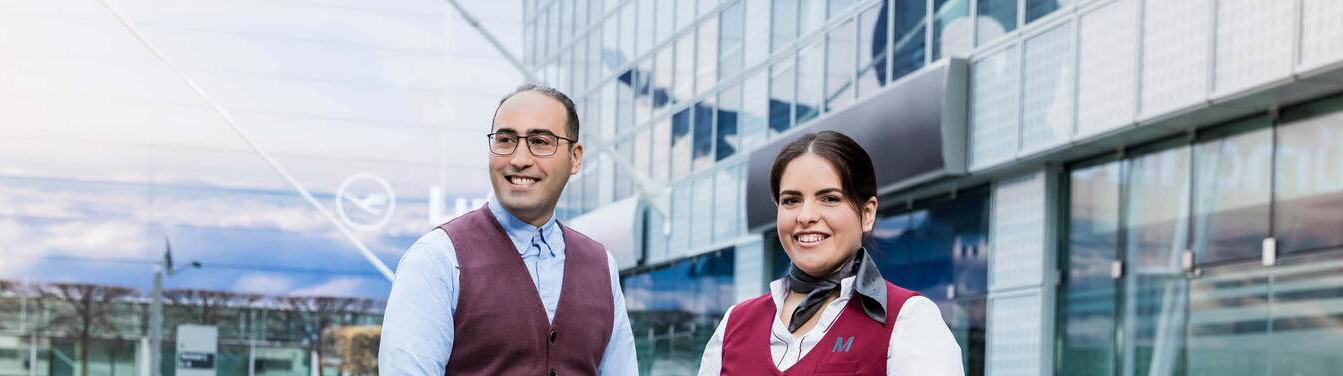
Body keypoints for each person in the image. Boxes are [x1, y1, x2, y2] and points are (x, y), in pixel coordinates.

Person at [379, 85, 638, 375]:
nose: (519, 159)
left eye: (540, 141)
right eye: (505, 140)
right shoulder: (437, 259)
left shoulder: (602, 265)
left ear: (575, 157)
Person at [697, 131, 963, 375]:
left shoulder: (909, 321)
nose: (806, 216)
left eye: (830, 199)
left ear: (867, 213)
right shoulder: (733, 325)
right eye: (791, 200)